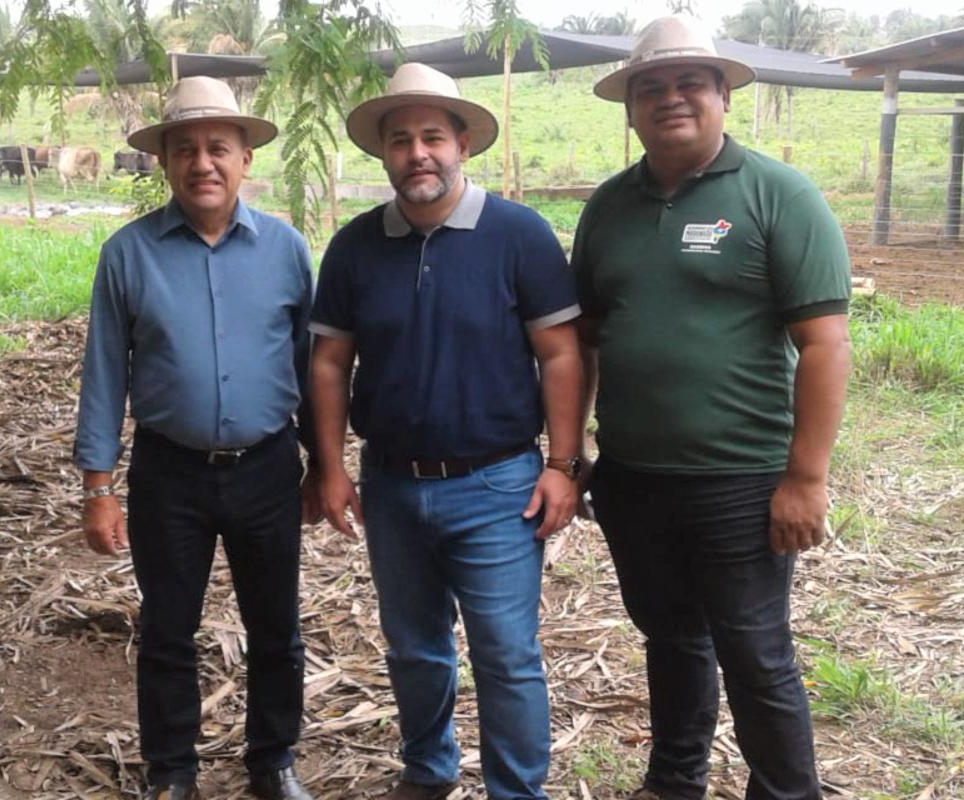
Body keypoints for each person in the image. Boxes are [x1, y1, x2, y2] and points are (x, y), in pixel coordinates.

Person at [573, 16, 853, 800]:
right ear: (629, 107)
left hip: (741, 478)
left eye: (691, 82)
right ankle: (674, 782)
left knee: (756, 651)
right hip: (632, 477)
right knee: (671, 638)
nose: (671, 99)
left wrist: (806, 477)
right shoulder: (609, 208)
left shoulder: (779, 195)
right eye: (651, 87)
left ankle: (787, 791)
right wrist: (576, 453)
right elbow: (585, 339)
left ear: (723, 94)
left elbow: (826, 346)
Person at [307, 62, 585, 800]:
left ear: (463, 142)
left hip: (499, 485)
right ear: (384, 153)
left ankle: (515, 791)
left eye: (433, 136)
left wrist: (563, 463)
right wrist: (330, 466)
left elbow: (559, 352)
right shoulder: (356, 245)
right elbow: (330, 362)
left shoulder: (518, 234)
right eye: (401, 140)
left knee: (505, 655)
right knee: (416, 650)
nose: (418, 153)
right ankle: (427, 773)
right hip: (393, 485)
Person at [74, 76, 321, 800]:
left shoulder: (285, 249)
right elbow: (104, 373)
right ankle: (172, 772)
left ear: (246, 159)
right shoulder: (128, 255)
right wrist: (98, 486)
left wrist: (324, 463)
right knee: (167, 628)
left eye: (219, 147)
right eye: (186, 149)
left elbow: (310, 366)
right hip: (167, 473)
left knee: (276, 625)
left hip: (268, 468)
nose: (202, 163)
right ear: (165, 162)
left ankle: (273, 761)